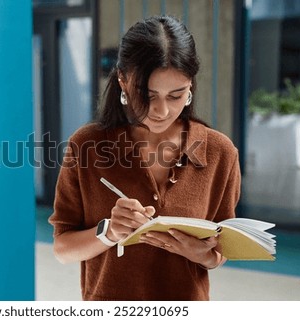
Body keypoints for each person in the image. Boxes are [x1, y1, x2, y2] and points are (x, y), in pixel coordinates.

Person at [48, 15, 241, 301]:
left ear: (190, 87)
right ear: (123, 82)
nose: (161, 110)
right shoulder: (86, 146)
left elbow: (221, 249)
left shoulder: (220, 153)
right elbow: (63, 249)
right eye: (148, 95)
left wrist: (206, 257)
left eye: (176, 95)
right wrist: (109, 232)